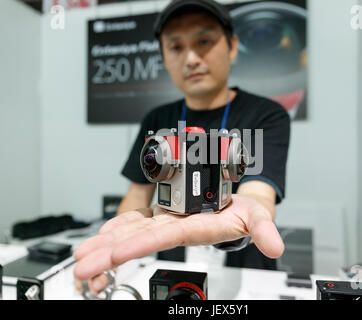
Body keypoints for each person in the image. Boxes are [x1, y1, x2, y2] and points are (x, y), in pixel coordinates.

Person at [74, 0, 290, 294]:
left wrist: (247, 219)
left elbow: (257, 194)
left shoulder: (265, 114)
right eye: (176, 47)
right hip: (172, 274)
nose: (191, 58)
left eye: (204, 41)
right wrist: (114, 254)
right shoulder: (158, 119)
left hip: (244, 277)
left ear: (233, 46)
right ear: (163, 57)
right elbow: (137, 195)